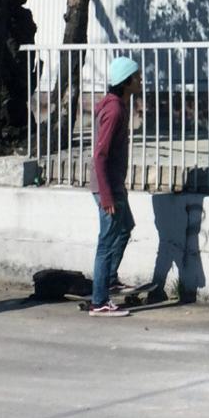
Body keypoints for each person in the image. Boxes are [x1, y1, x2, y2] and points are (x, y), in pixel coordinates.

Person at [87, 56, 142, 317]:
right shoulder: (115, 110)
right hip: (106, 187)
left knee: (125, 227)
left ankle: (109, 280)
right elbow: (100, 155)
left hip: (113, 185)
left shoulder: (119, 105)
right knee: (106, 242)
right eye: (137, 77)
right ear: (126, 81)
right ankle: (99, 302)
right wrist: (107, 194)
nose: (140, 81)